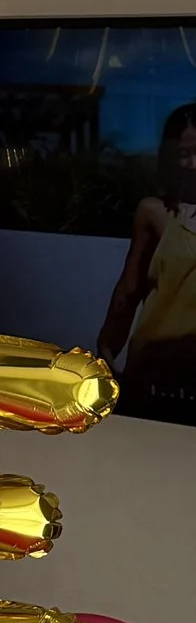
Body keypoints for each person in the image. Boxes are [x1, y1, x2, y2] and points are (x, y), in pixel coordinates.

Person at [98, 103, 196, 413]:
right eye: (183, 155)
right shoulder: (156, 213)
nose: (193, 164)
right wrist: (104, 353)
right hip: (154, 372)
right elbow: (129, 288)